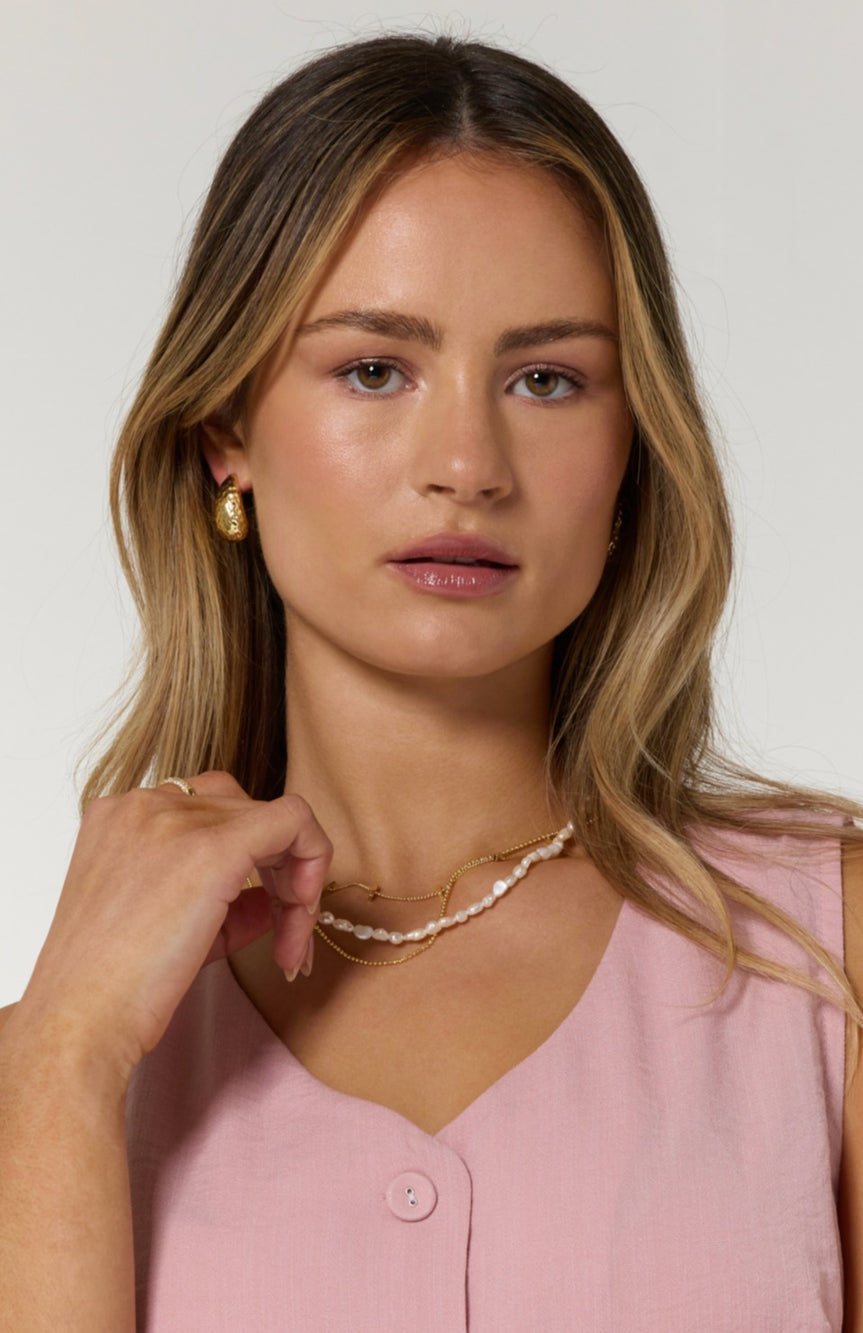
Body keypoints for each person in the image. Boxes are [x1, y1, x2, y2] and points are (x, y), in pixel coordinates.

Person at [0, 30, 861, 1331]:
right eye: (374, 369)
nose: (467, 463)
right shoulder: (71, 1048)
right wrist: (59, 1061)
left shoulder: (825, 963)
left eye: (547, 379)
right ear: (226, 430)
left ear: (633, 446)